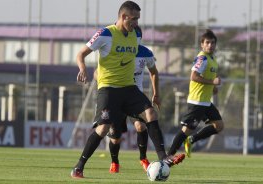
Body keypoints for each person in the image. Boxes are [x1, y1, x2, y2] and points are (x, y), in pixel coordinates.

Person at [71, 1, 184, 179]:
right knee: (103, 129)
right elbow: (81, 54)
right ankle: (78, 167)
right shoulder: (106, 34)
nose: (136, 23)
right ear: (123, 17)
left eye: (138, 19)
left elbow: (151, 69)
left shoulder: (136, 35)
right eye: (134, 19)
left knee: (151, 115)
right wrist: (83, 68)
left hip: (129, 88)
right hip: (108, 89)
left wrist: (156, 94)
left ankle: (164, 157)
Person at [167, 29, 224, 158]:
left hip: (206, 102)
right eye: (207, 43)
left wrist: (213, 87)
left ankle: (191, 140)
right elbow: (194, 76)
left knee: (219, 126)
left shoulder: (212, 59)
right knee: (186, 130)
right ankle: (168, 156)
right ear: (202, 45)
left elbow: (208, 78)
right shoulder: (202, 58)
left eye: (213, 43)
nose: (210, 45)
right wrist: (212, 81)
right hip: (197, 101)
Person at [108, 36, 161, 173]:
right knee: (116, 137)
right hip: (118, 97)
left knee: (141, 125)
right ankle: (114, 162)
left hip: (134, 98)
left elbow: (154, 72)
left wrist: (156, 94)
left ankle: (143, 158)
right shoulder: (118, 51)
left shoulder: (146, 53)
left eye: (138, 37)